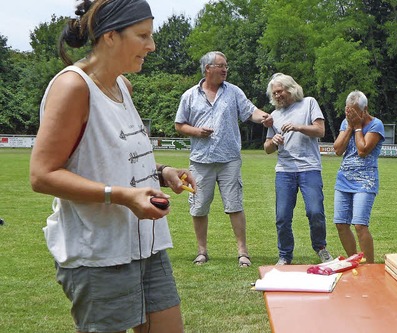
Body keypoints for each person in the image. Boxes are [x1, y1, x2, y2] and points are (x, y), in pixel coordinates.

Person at [29, 0, 194, 332]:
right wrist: (122, 196)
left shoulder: (123, 85)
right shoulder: (73, 86)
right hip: (99, 254)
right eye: (142, 35)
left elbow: (114, 156)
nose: (152, 45)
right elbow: (42, 175)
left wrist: (162, 173)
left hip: (146, 245)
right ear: (109, 37)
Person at [175, 51, 272, 267]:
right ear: (208, 68)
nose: (225, 69)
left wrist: (263, 117)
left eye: (226, 65)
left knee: (235, 205)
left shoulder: (234, 92)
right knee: (198, 206)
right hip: (201, 161)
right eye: (221, 65)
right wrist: (196, 131)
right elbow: (179, 124)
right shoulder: (189, 95)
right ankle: (202, 251)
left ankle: (243, 252)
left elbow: (251, 111)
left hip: (229, 159)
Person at [263, 73, 333, 265]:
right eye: (274, 93)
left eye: (280, 91)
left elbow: (320, 130)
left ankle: (321, 248)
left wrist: (298, 127)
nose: (277, 96)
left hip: (309, 167)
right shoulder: (274, 115)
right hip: (284, 170)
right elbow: (267, 148)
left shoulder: (309, 103)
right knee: (283, 216)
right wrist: (274, 141)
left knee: (315, 211)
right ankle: (285, 255)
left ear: (291, 89)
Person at [332, 91, 385, 264]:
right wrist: (349, 126)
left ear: (365, 109)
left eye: (354, 112)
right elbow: (338, 149)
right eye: (348, 111)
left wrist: (357, 127)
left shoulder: (376, 125)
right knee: (341, 224)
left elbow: (362, 150)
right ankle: (353, 260)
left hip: (365, 182)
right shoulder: (347, 123)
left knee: (360, 225)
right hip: (344, 180)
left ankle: (370, 266)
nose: (351, 115)